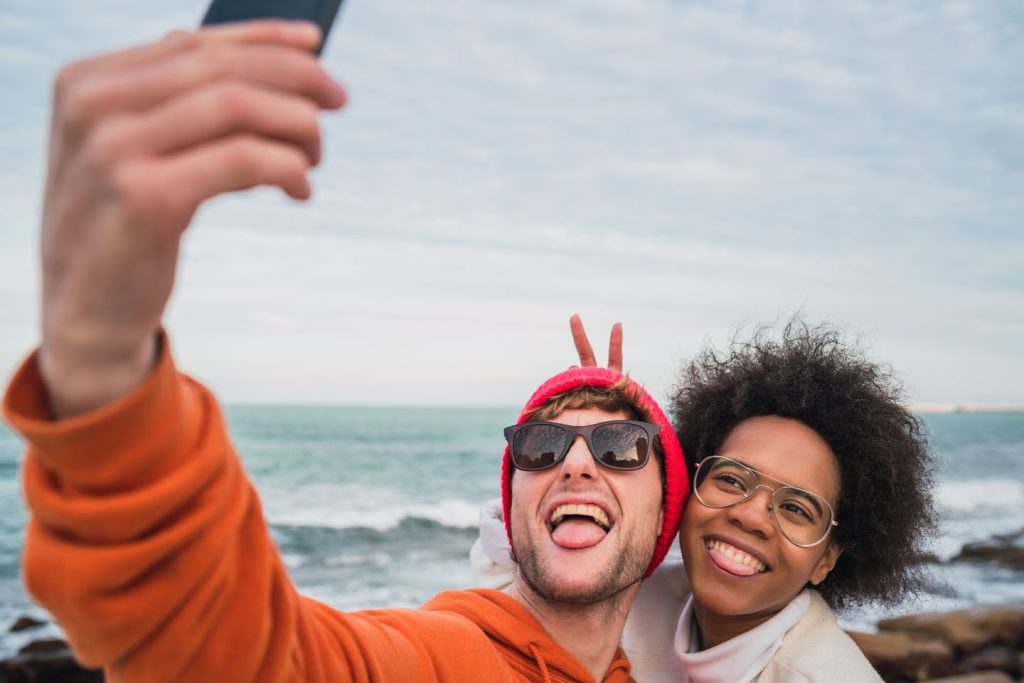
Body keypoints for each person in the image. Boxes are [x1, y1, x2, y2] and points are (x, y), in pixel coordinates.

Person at [1, 21, 688, 682]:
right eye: (540, 445)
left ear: (667, 516)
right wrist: (101, 351)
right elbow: (238, 656)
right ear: (509, 508)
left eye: (620, 447)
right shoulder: (442, 656)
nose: (572, 461)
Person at [475, 318, 938, 682]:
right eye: (733, 480)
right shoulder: (637, 596)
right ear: (684, 491)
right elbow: (511, 593)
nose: (752, 515)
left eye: (797, 508)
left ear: (826, 560)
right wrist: (607, 446)